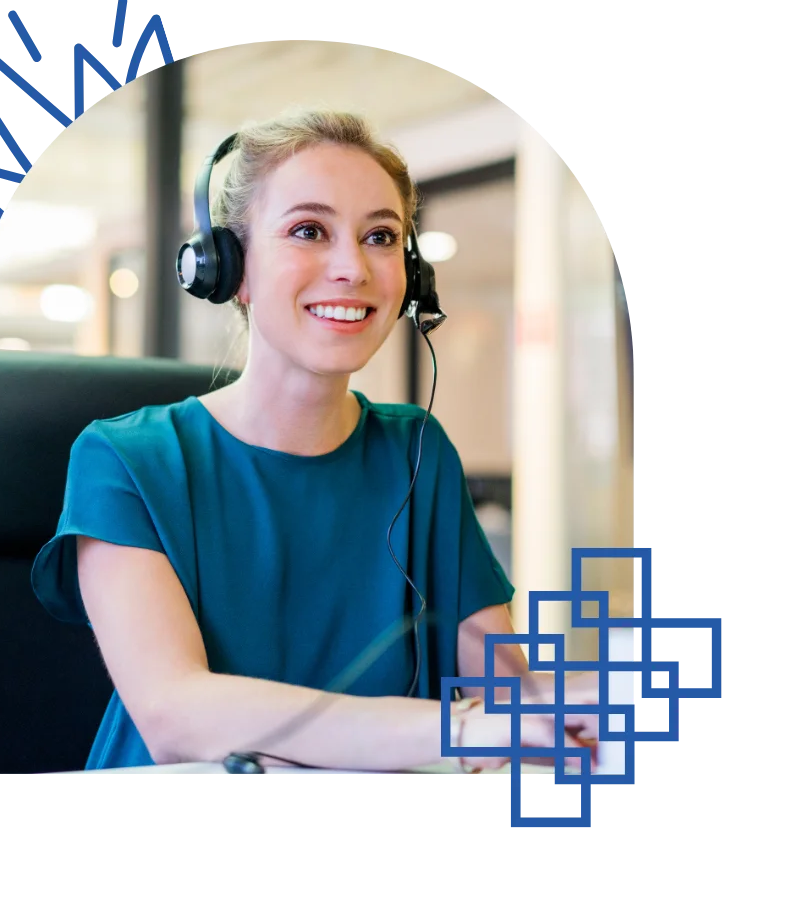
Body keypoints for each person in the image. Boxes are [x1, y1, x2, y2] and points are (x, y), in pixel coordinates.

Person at [31, 109, 598, 775]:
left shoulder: (417, 452)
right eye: (308, 230)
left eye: (381, 237)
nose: (353, 268)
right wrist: (448, 730)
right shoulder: (126, 460)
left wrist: (581, 710)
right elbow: (175, 716)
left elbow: (508, 697)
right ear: (229, 268)